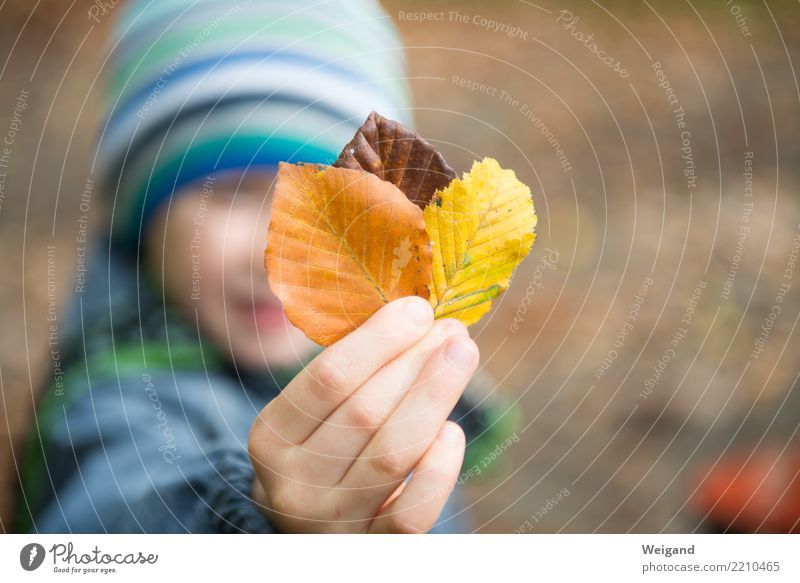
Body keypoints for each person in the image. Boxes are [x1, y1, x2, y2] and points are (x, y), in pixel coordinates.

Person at [15, 0, 518, 533]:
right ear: (147, 220)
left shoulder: (395, 370)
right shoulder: (121, 402)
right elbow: (116, 515)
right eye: (234, 194)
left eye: (332, 211)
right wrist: (261, 526)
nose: (282, 255)